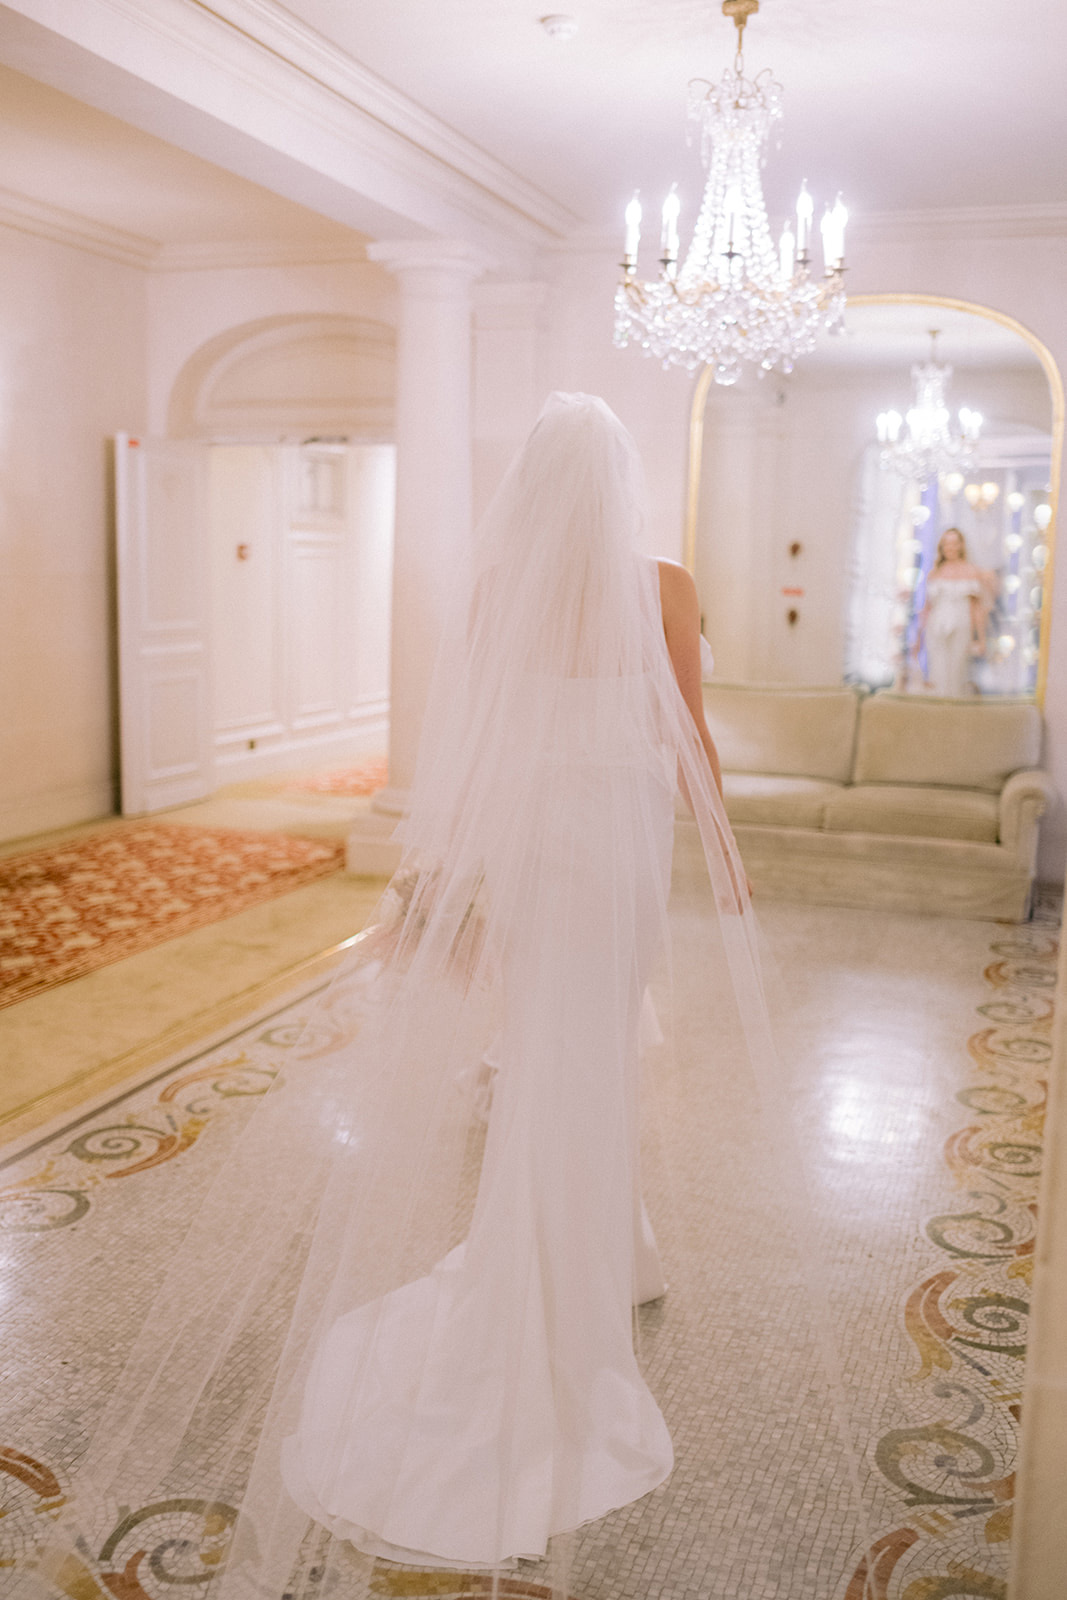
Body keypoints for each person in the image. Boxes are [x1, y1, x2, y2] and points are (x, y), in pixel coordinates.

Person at [34, 395, 832, 1600]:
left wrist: (453, 865)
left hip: (536, 846)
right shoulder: (660, 578)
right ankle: (569, 1264)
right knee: (595, 1046)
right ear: (617, 480)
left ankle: (603, 1243)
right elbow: (686, 736)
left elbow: (476, 738)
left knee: (546, 1045)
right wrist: (723, 856)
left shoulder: (501, 580)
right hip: (615, 845)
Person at [917, 527, 986, 696]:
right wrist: (918, 637)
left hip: (962, 625)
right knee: (938, 670)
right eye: (947, 544)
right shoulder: (935, 572)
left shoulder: (971, 571)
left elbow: (976, 608)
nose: (951, 548)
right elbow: (927, 607)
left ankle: (954, 711)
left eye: (954, 543)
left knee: (958, 671)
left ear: (961, 545)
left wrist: (981, 638)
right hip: (936, 626)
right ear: (942, 547)